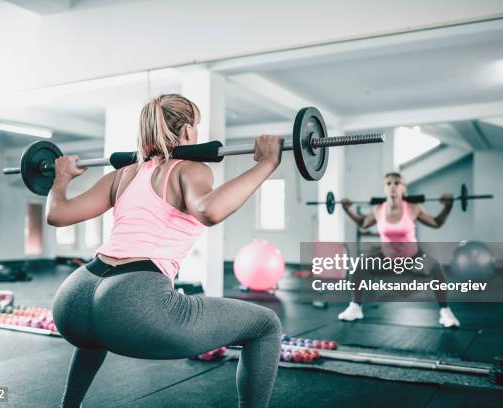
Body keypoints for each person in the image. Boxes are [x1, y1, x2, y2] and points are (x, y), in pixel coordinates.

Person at [49, 94, 283, 408]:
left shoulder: (123, 174)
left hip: (75, 298)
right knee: (266, 325)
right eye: (196, 126)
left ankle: (69, 405)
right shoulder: (189, 169)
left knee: (96, 335)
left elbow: (57, 214)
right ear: (188, 132)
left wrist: (61, 178)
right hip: (131, 302)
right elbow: (210, 211)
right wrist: (268, 162)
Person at [337, 172, 460, 328]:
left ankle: (445, 311)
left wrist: (448, 207)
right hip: (386, 258)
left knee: (435, 267)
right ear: (384, 189)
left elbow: (436, 223)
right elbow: (363, 223)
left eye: (397, 183)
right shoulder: (378, 209)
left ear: (404, 188)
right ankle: (355, 308)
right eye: (388, 184)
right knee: (361, 264)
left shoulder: (413, 208)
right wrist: (348, 210)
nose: (393, 187)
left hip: (413, 257)